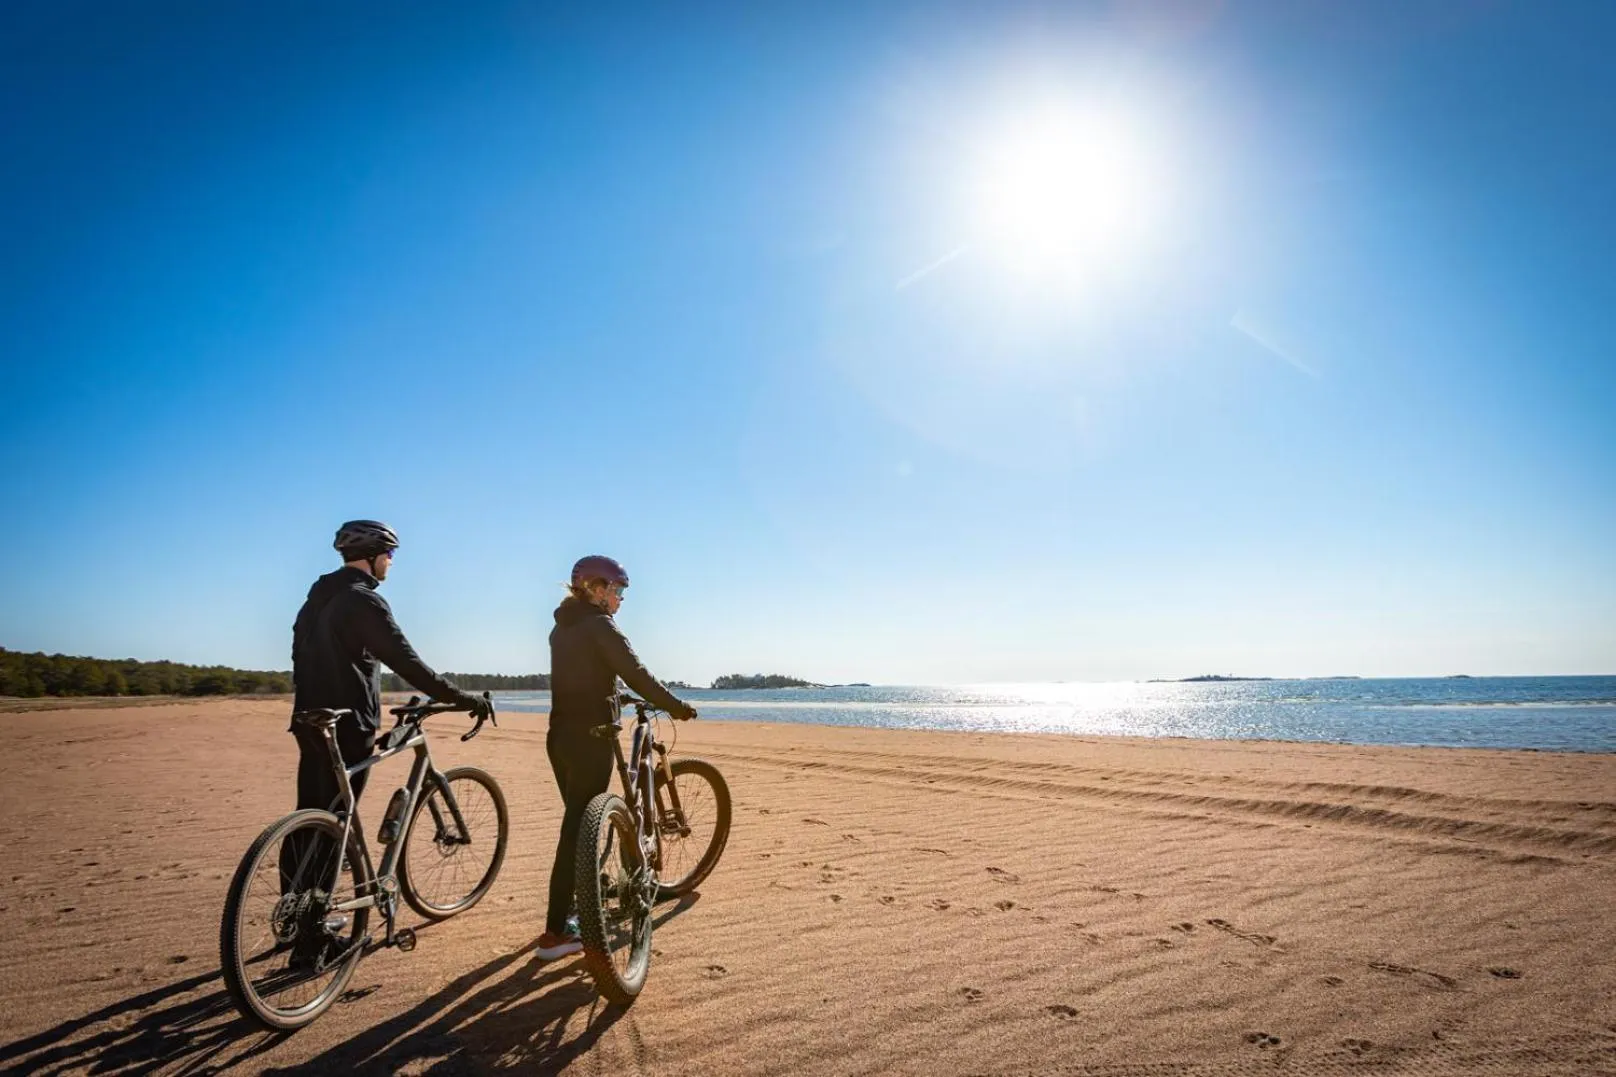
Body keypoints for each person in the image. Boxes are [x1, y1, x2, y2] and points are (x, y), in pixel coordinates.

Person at [282, 520, 493, 960]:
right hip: (348, 723)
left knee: (311, 816)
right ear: (375, 555)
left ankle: (292, 914)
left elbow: (299, 653)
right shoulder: (363, 600)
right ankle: (313, 941)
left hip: (309, 718)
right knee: (334, 825)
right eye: (390, 556)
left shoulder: (317, 597)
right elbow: (405, 659)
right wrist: (461, 697)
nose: (391, 564)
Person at [537, 554, 695, 960]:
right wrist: (676, 705)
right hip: (591, 740)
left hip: (560, 739)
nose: (621, 599)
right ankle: (555, 934)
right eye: (618, 590)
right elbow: (637, 671)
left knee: (576, 823)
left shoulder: (563, 627)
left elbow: (583, 676)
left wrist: (614, 693)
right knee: (576, 831)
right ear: (597, 589)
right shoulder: (600, 626)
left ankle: (581, 902)